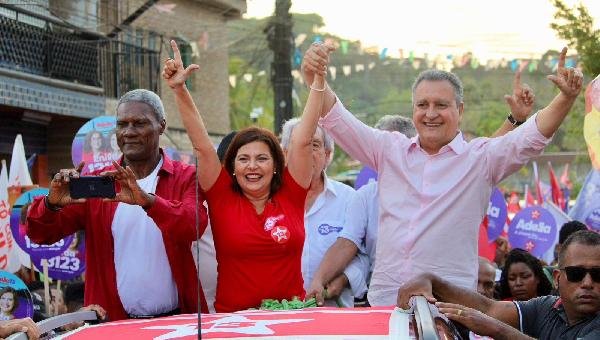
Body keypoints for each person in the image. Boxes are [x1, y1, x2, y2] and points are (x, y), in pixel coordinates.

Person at [302, 43, 583, 306]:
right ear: (413, 110)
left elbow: (533, 135)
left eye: (441, 105)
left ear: (459, 110)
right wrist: (315, 77)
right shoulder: (389, 150)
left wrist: (566, 98)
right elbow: (338, 118)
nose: (430, 113)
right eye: (422, 105)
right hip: (386, 304)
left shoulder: (481, 159)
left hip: (449, 309)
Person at [162, 40, 329, 312]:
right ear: (233, 167)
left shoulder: (291, 190)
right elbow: (202, 146)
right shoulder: (221, 196)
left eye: (262, 158)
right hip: (234, 324)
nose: (252, 166)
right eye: (243, 159)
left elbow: (302, 140)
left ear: (276, 165)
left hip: (291, 322)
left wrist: (318, 80)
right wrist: (180, 89)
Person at [27, 88, 209, 320]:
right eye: (122, 124)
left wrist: (148, 201)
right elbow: (40, 234)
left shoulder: (186, 176)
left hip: (177, 322)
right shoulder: (99, 182)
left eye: (139, 123)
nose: (129, 132)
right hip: (114, 322)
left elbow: (193, 226)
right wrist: (51, 204)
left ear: (161, 126)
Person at [397, 230, 600, 339]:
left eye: (598, 274)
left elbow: (491, 319)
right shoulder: (548, 307)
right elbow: (490, 308)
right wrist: (431, 281)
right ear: (557, 277)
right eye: (576, 274)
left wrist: (497, 329)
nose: (588, 283)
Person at [307, 115, 416, 305]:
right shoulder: (366, 196)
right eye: (380, 149)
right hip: (384, 300)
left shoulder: (435, 191)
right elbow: (347, 243)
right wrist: (319, 280)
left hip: (432, 298)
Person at [281, 118, 368, 307]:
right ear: (285, 153)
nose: (306, 152)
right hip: (279, 315)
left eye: (314, 145)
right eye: (298, 145)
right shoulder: (267, 199)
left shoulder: (349, 199)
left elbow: (365, 255)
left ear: (327, 154)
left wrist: (345, 278)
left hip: (333, 319)